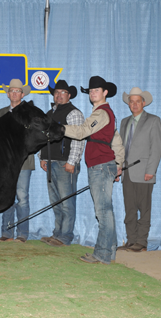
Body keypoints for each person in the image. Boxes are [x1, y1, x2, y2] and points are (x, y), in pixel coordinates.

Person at [64, 76, 124, 265]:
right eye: (90, 91)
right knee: (106, 210)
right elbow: (116, 140)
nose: (92, 93)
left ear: (105, 92)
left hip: (100, 165)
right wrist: (119, 163)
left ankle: (102, 254)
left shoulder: (101, 113)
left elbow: (81, 132)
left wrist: (58, 129)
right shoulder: (105, 113)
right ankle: (110, 252)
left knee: (103, 211)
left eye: (96, 90)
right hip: (104, 165)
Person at [39, 80, 85, 247]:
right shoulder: (49, 113)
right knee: (56, 201)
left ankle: (65, 236)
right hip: (51, 162)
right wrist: (42, 157)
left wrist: (72, 161)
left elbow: (79, 139)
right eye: (56, 92)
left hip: (65, 162)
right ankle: (57, 233)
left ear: (69, 95)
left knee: (66, 201)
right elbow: (43, 137)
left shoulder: (73, 113)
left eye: (62, 92)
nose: (58, 95)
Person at [117, 87, 161, 252]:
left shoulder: (153, 120)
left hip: (144, 172)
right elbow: (121, 148)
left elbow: (156, 148)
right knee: (129, 208)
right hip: (127, 171)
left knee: (144, 207)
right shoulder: (124, 122)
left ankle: (141, 242)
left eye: (137, 101)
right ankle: (131, 240)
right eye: (131, 101)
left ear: (143, 103)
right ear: (128, 103)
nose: (134, 104)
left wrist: (151, 170)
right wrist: (118, 166)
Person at [0, 79, 34, 243]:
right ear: (8, 93)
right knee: (7, 196)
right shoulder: (1, 113)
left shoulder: (30, 112)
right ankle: (7, 233)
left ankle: (22, 234)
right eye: (11, 91)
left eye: (17, 91)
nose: (14, 94)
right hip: (6, 162)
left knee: (22, 196)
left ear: (22, 94)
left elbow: (32, 137)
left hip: (23, 161)